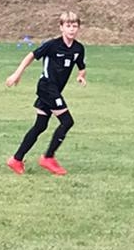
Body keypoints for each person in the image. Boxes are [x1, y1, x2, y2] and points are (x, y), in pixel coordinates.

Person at [5, 10, 86, 176]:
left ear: (78, 28)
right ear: (61, 27)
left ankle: (16, 159)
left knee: (40, 125)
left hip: (54, 90)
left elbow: (81, 67)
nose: (71, 29)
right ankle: (48, 158)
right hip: (47, 87)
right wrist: (17, 74)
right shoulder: (52, 45)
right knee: (67, 121)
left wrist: (80, 76)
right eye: (68, 26)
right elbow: (30, 56)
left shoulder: (78, 48)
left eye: (74, 26)